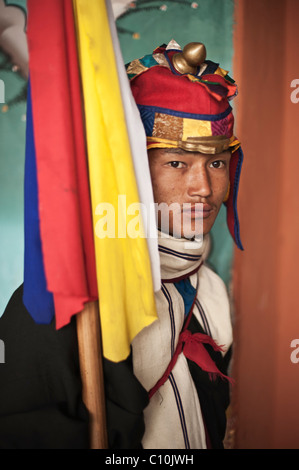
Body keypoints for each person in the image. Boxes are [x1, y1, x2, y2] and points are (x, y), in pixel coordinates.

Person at [0, 40, 243, 449]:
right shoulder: (61, 303)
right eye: (176, 163)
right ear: (130, 171)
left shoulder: (212, 292)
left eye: (216, 163)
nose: (204, 188)